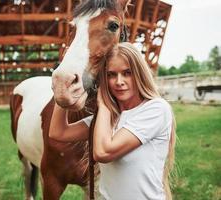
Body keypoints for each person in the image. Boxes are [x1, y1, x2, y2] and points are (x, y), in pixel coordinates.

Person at [49, 42, 176, 200]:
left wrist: (103, 105)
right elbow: (57, 132)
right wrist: (63, 87)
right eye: (111, 75)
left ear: (139, 74)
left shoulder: (156, 109)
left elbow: (103, 152)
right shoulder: (109, 118)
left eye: (127, 73)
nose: (119, 81)